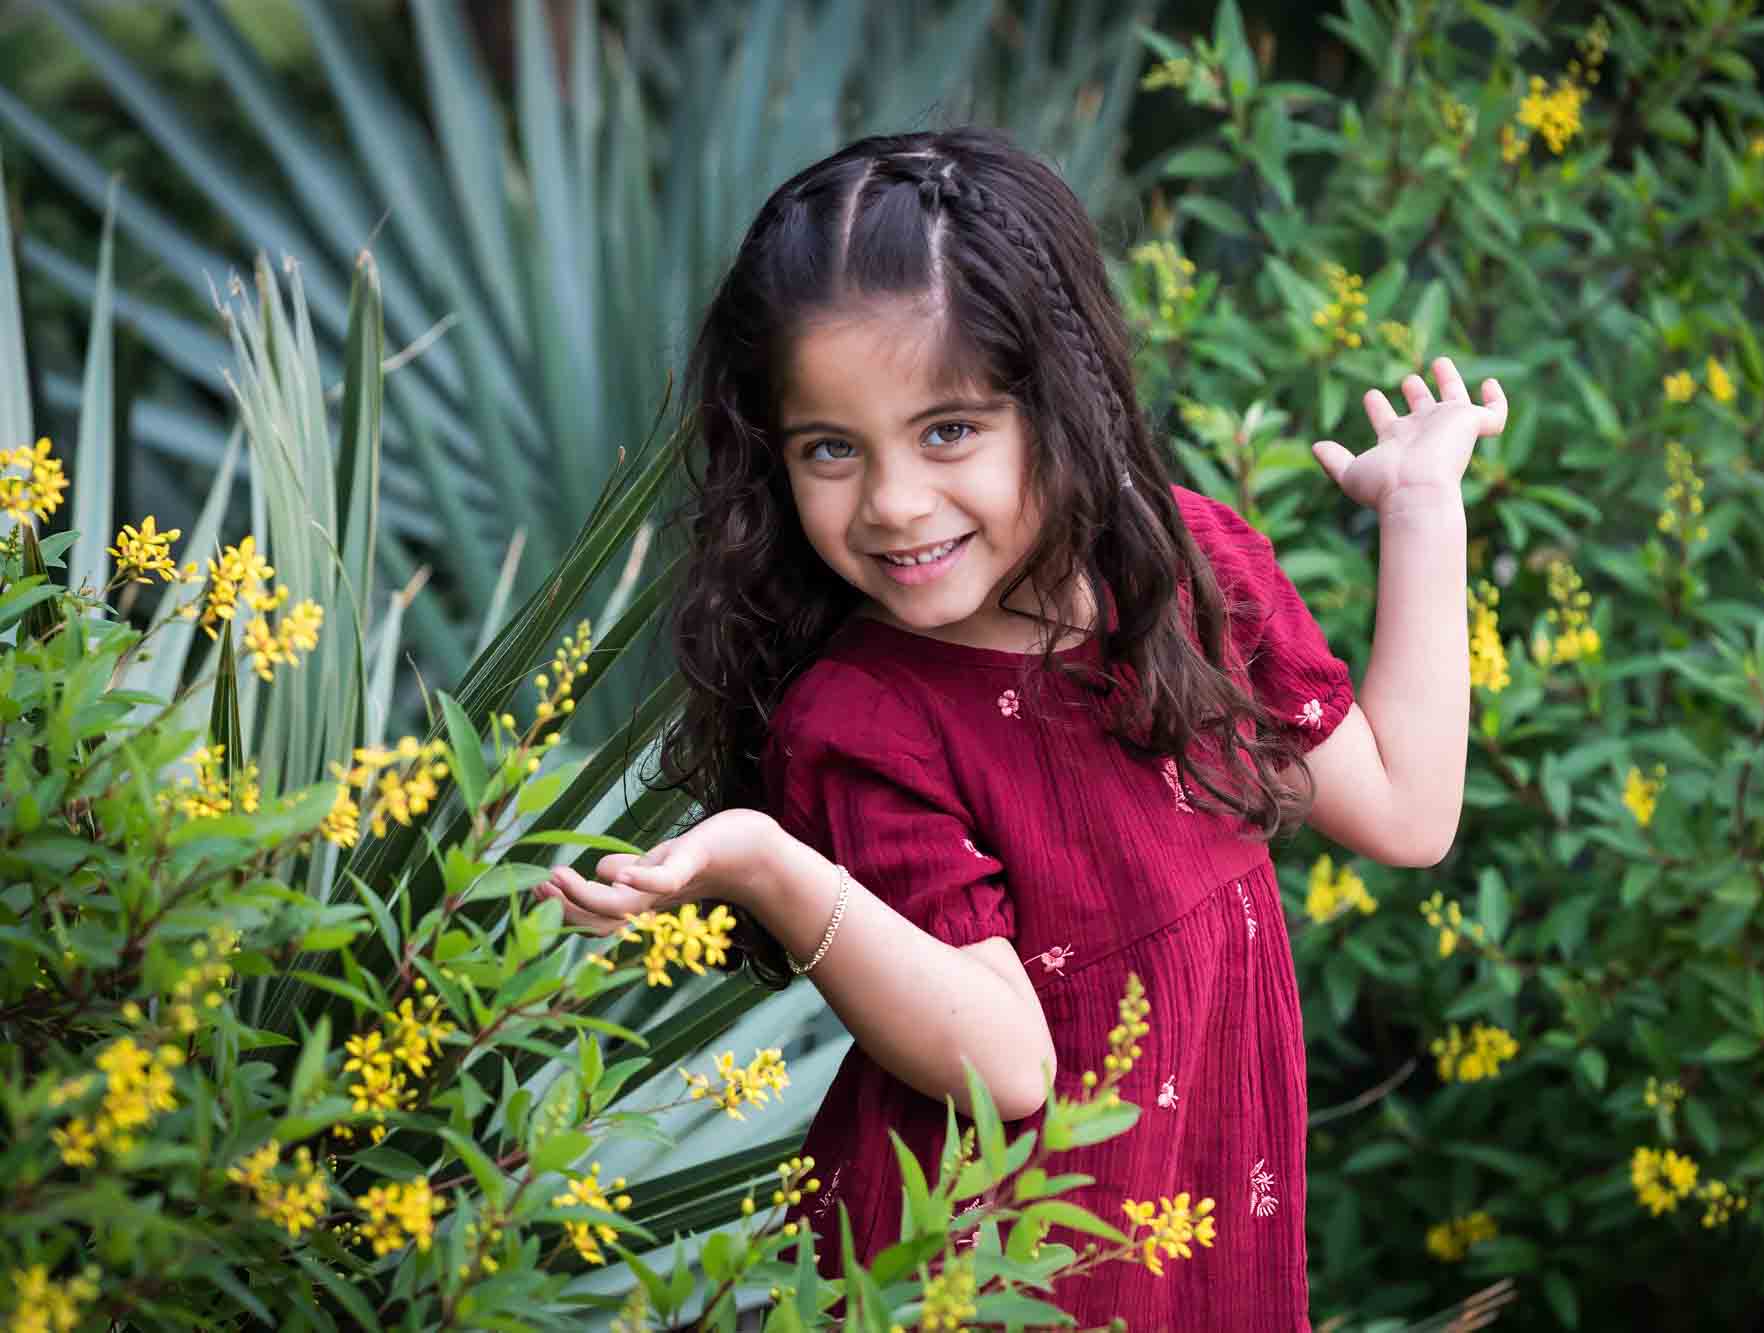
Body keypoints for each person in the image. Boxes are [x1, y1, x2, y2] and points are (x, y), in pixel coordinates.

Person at [533, 125, 1506, 1328]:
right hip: (983, 1280)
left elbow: (1406, 810)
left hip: (1191, 1225)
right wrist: (766, 862)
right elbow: (1006, 1065)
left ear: (1060, 402)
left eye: (948, 430)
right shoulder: (864, 717)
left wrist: (1420, 509)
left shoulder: (1186, 575)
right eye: (829, 449)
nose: (891, 503)